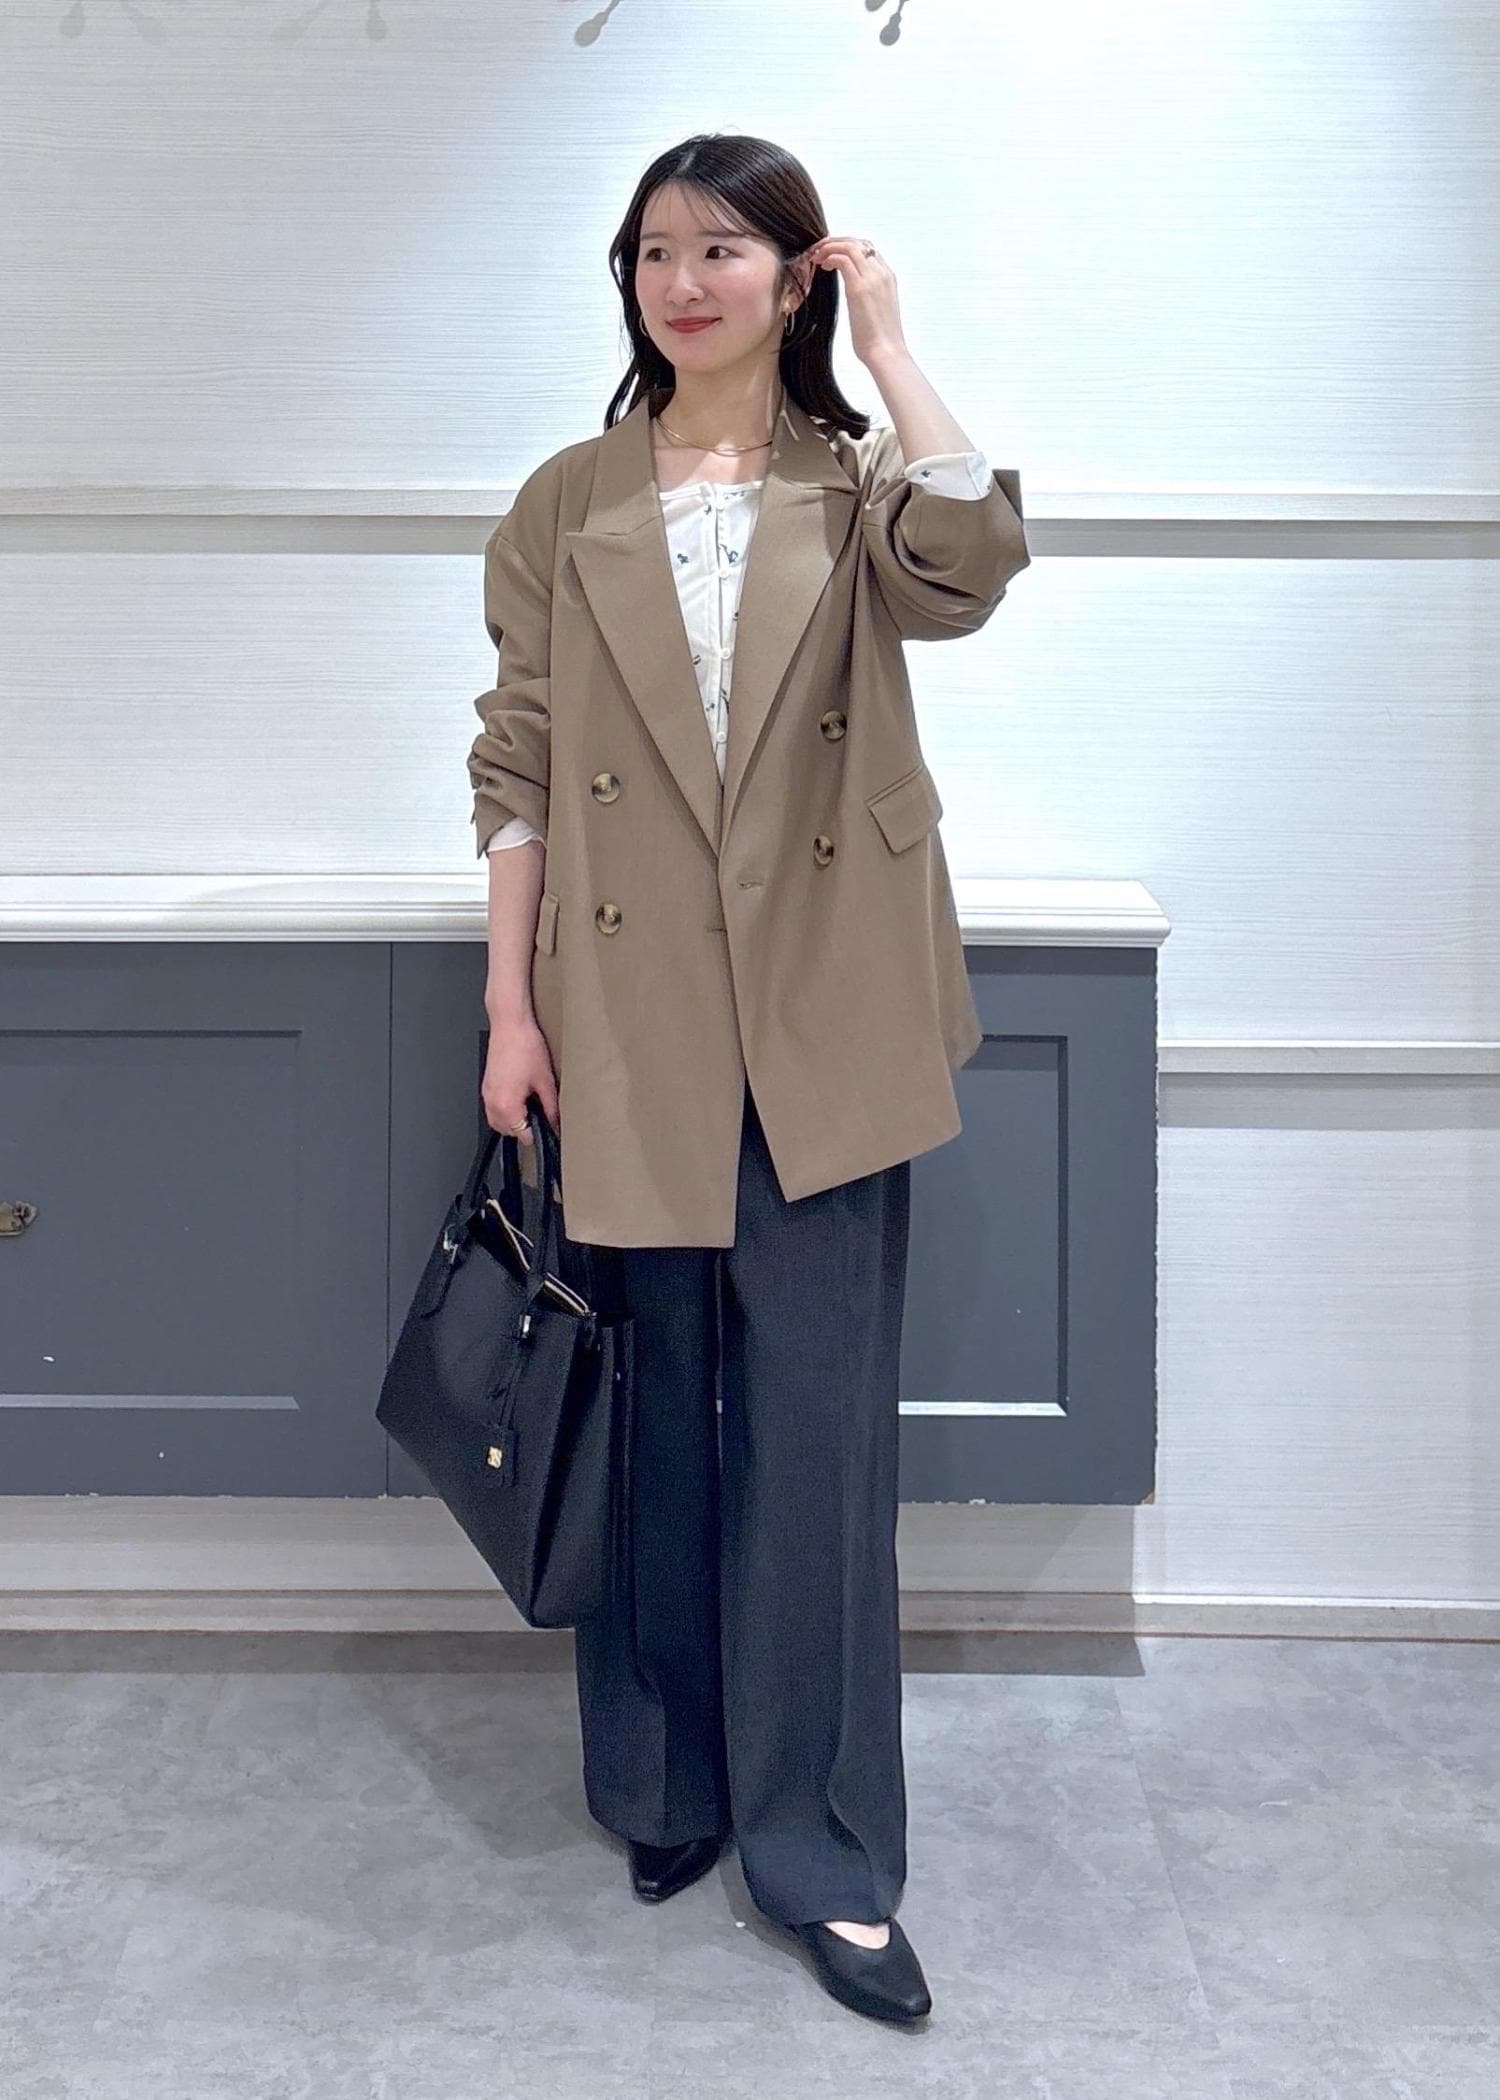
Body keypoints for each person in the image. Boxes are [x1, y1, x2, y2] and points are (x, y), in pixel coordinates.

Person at [467, 133, 1029, 2024]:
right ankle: (665, 1783)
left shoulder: (857, 486)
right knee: (655, 1426)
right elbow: (519, 758)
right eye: (654, 252)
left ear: (793, 278)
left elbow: (973, 570)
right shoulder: (567, 500)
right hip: (625, 1012)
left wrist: (892, 346)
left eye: (724, 250)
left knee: (816, 1442)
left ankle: (826, 1851)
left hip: (826, 1015)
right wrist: (509, 1010)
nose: (683, 283)